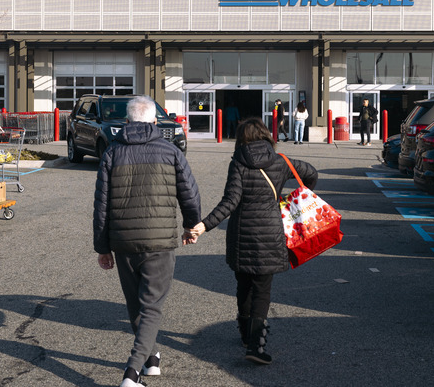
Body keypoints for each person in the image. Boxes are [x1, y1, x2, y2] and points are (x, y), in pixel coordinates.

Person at [93, 96, 201, 387]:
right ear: (156, 121)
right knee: (151, 306)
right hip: (160, 240)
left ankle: (151, 358)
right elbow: (189, 193)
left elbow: (101, 204)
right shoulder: (170, 151)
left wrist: (103, 247)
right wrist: (191, 224)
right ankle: (132, 372)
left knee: (135, 304)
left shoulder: (112, 153)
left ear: (126, 122)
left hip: (124, 240)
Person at [189, 118, 317, 365]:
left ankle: (245, 332)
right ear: (266, 136)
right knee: (262, 290)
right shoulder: (281, 162)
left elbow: (230, 201)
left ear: (241, 139)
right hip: (270, 233)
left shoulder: (238, 162)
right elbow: (311, 173)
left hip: (241, 234)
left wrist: (204, 225)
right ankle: (256, 346)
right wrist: (296, 198)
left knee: (244, 284)